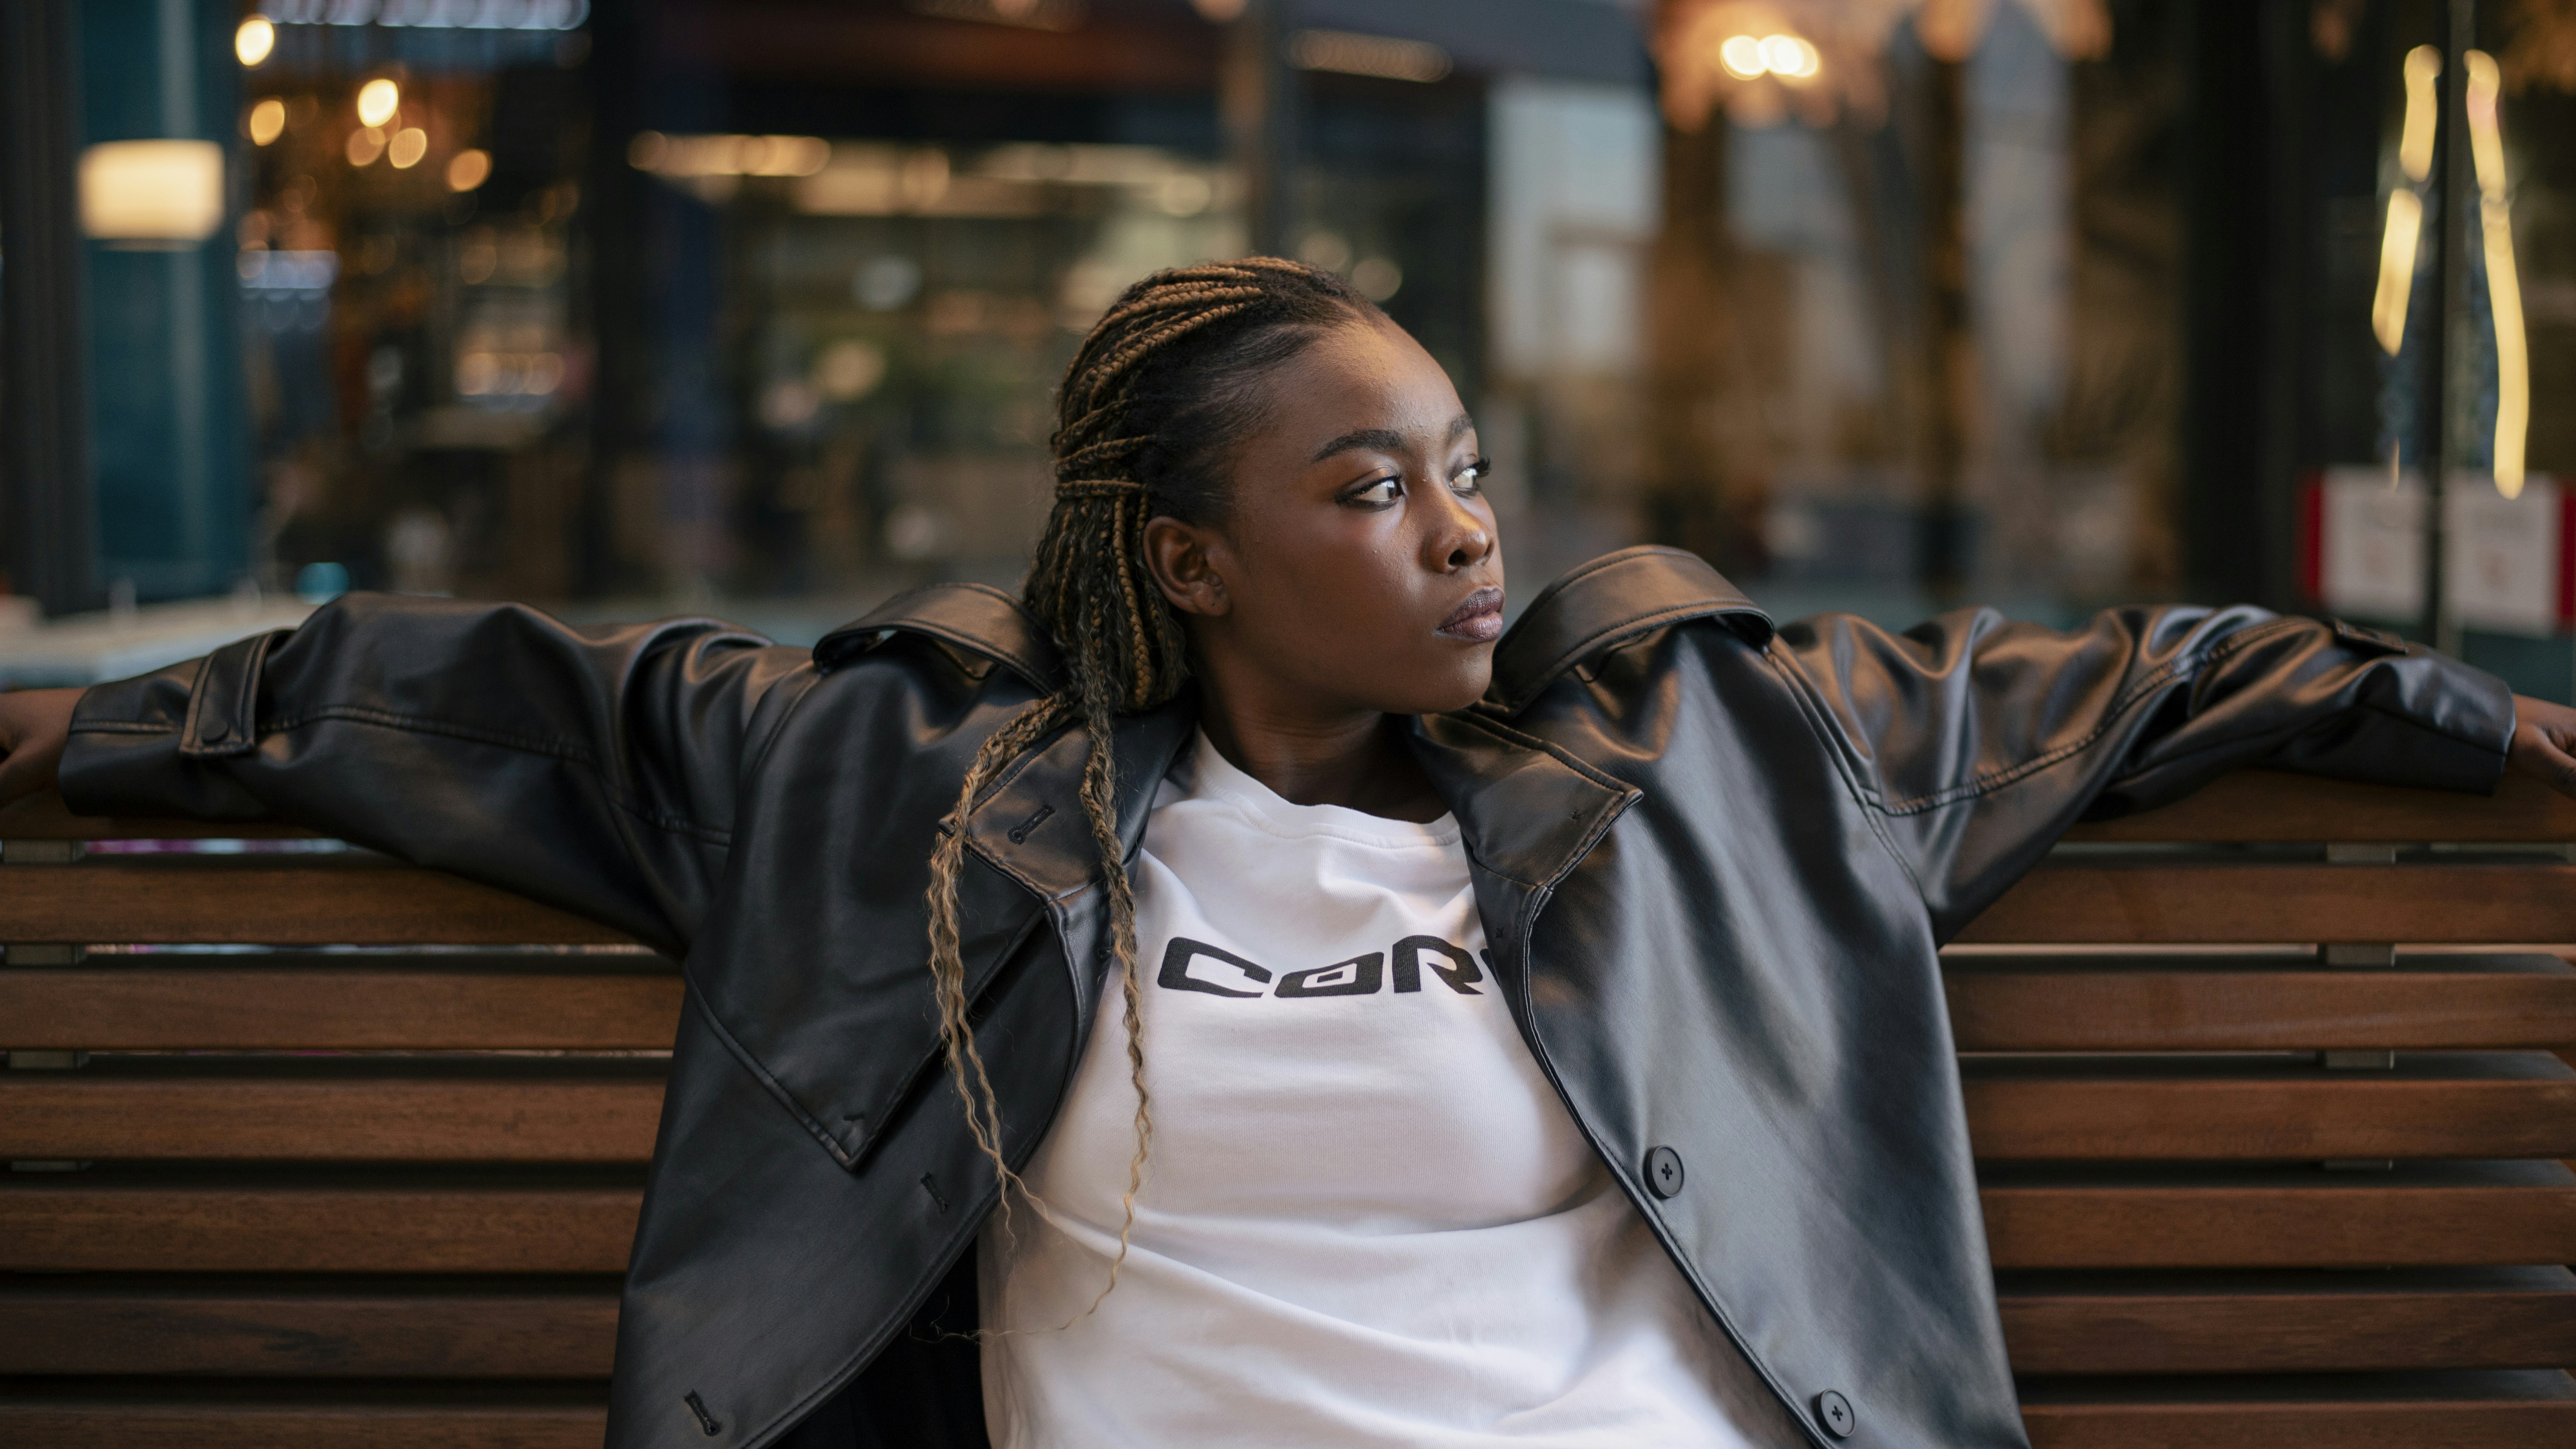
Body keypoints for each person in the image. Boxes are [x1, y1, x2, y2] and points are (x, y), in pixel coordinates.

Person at [2, 257, 2571, 1449]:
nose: (1463, 534)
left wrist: (2471, 725)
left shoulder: (1714, 775)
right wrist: (108, 725)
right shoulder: (911, 800)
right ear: (1190, 562)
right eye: (1369, 488)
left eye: (1467, 470)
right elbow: (463, 693)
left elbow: (2152, 673)